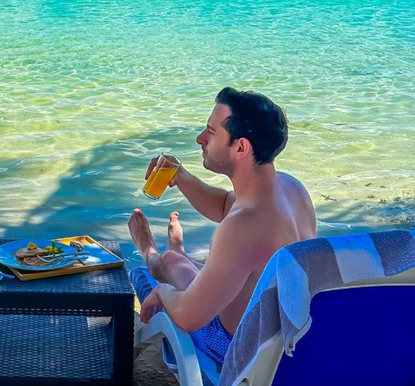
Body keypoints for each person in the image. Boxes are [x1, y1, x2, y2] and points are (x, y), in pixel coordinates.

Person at [129, 87, 316, 363]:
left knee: (163, 270)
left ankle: (150, 253)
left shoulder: (242, 228)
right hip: (287, 343)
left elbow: (187, 317)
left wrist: (161, 291)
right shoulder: (291, 189)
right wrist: (180, 176)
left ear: (240, 147)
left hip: (237, 350)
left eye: (211, 132)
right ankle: (174, 256)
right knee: (184, 266)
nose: (200, 139)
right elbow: (224, 205)